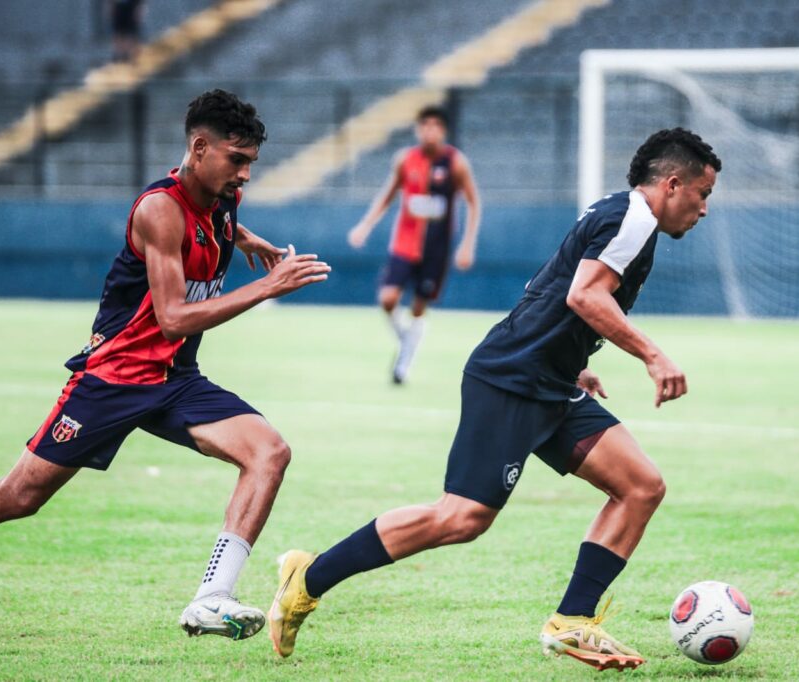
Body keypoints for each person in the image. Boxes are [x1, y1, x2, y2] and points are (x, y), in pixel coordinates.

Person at [270, 128, 721, 671]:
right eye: (703, 194)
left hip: (550, 381)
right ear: (673, 184)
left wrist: (576, 361)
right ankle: (308, 577)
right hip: (511, 378)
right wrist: (653, 356)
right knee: (460, 518)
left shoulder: (623, 214)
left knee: (640, 486)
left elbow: (552, 288)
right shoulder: (634, 219)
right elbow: (583, 293)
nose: (704, 209)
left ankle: (571, 622)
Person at [0, 89, 331, 642]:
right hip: (115, 379)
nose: (246, 175)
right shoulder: (160, 209)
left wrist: (249, 241)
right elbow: (175, 318)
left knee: (269, 451)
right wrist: (266, 287)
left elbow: (218, 225)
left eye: (252, 162)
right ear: (199, 148)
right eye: (238, 160)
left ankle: (211, 597)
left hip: (176, 382)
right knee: (17, 498)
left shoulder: (219, 195)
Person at [347, 105, 481, 384]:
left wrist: (467, 244)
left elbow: (472, 202)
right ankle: (408, 340)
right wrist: (365, 224)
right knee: (388, 298)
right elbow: (389, 194)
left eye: (435, 125)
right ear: (418, 129)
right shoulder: (405, 160)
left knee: (419, 308)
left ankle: (406, 355)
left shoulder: (455, 162)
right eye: (424, 125)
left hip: (436, 248)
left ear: (442, 130)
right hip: (405, 244)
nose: (429, 131)